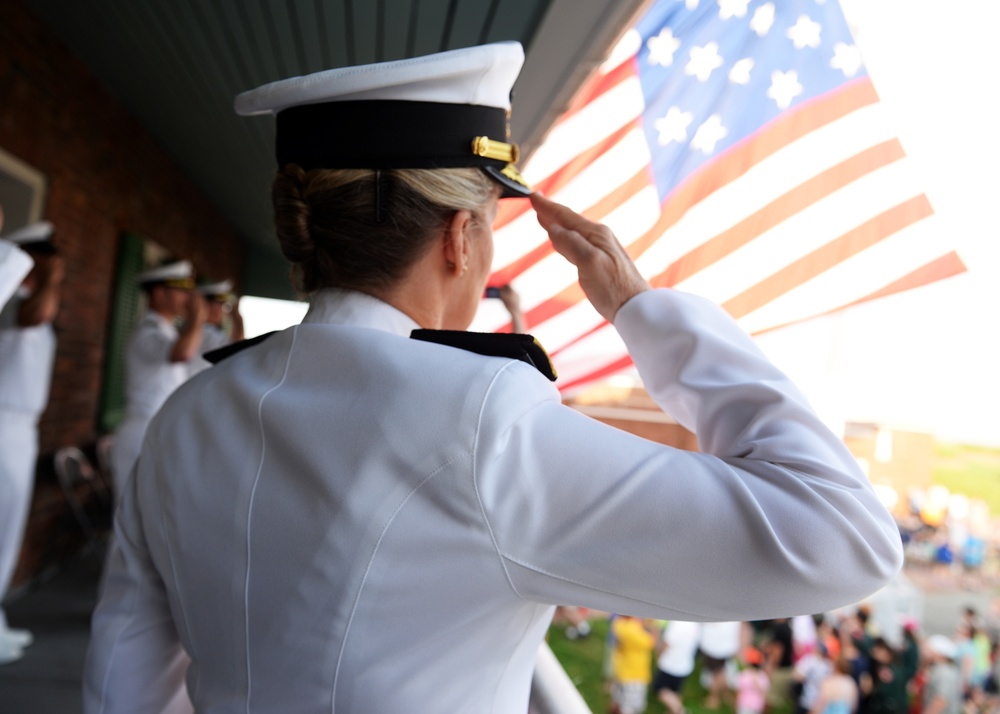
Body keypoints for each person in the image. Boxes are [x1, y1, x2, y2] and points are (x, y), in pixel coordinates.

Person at [83, 41, 903, 712]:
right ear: (457, 238)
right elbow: (845, 537)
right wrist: (643, 312)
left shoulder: (187, 412)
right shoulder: (482, 421)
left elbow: (122, 677)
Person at [0, 220, 63, 665]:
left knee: (7, 530)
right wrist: (51, 278)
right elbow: (35, 314)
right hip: (2, 423)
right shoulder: (10, 299)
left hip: (22, 428)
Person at [109, 259, 203, 498]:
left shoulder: (168, 331)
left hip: (158, 429)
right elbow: (182, 353)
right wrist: (197, 319)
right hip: (142, 429)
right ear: (159, 294)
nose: (187, 298)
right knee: (130, 520)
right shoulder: (146, 331)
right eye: (180, 290)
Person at [188, 279, 244, 377]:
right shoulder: (204, 331)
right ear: (206, 305)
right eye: (220, 305)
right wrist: (238, 319)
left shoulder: (200, 329)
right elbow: (237, 351)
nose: (224, 311)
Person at [610, 615, 656, 714]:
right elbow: (651, 642)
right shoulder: (631, 630)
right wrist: (654, 627)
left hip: (623, 670)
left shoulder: (619, 623)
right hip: (634, 674)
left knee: (618, 699)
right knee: (629, 707)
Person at [654, 620, 702, 714]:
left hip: (670, 664)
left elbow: (667, 643)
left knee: (659, 690)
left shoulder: (677, 623)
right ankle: (673, 711)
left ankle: (680, 710)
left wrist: (658, 655)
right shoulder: (697, 623)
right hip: (685, 665)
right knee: (674, 691)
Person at [923, 636, 962, 714]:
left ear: (938, 653)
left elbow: (940, 700)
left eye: (929, 650)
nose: (925, 653)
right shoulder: (943, 670)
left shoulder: (943, 672)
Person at [737, 647, 770, 714]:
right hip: (757, 705)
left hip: (744, 704)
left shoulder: (743, 675)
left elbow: (739, 691)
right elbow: (765, 692)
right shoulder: (763, 676)